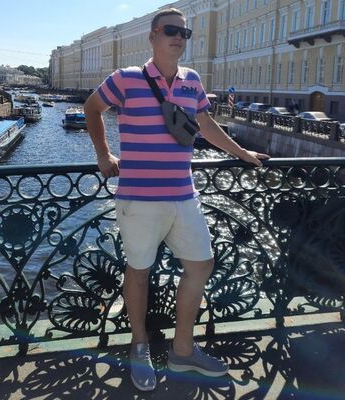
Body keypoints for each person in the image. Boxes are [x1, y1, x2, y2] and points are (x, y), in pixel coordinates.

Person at [84, 7, 269, 392]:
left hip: (184, 196)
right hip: (139, 198)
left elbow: (205, 124)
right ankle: (139, 347)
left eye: (185, 33)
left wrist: (242, 153)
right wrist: (103, 155)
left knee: (202, 263)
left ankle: (182, 350)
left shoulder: (192, 80)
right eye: (171, 31)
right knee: (139, 271)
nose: (179, 38)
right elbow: (92, 107)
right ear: (153, 35)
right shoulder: (126, 78)